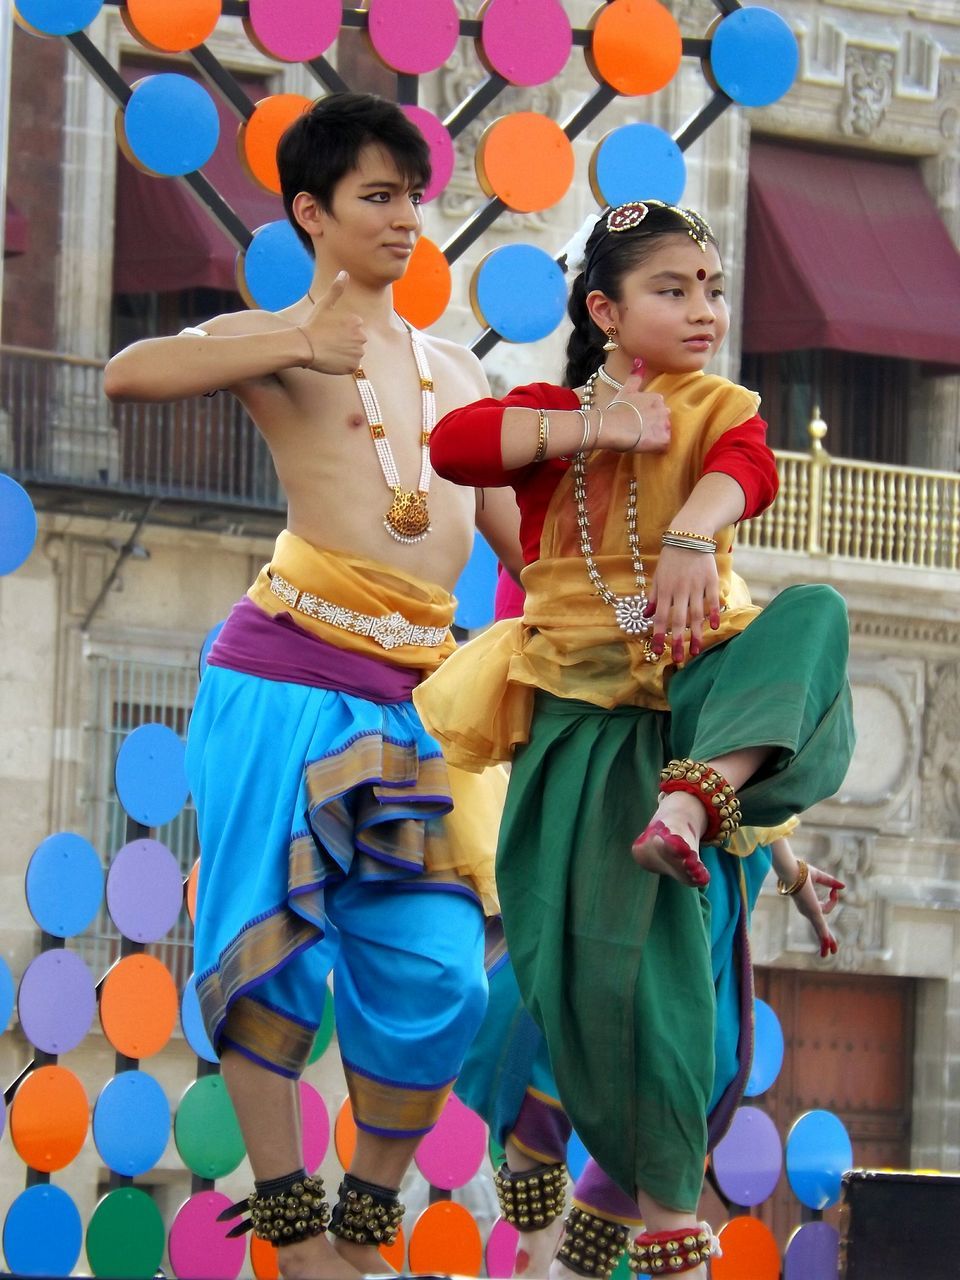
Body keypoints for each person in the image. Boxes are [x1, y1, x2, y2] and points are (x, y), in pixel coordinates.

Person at [104, 92, 520, 1280]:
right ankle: (292, 1220)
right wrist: (294, 343)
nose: (405, 218)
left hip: (418, 707)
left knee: (442, 972)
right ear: (311, 213)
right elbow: (134, 373)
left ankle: (359, 1222)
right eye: (376, 197)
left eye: (412, 195)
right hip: (283, 677)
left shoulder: (455, 369)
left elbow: (519, 542)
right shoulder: (276, 341)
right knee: (264, 941)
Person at [415, 199, 856, 1278]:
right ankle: (560, 1221)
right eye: (674, 289)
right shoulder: (549, 424)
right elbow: (454, 442)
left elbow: (749, 469)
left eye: (712, 288)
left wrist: (695, 533)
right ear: (606, 309)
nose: (704, 309)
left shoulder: (721, 415)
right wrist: (596, 428)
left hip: (693, 751)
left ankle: (660, 1230)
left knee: (815, 617)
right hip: (584, 738)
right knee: (562, 988)